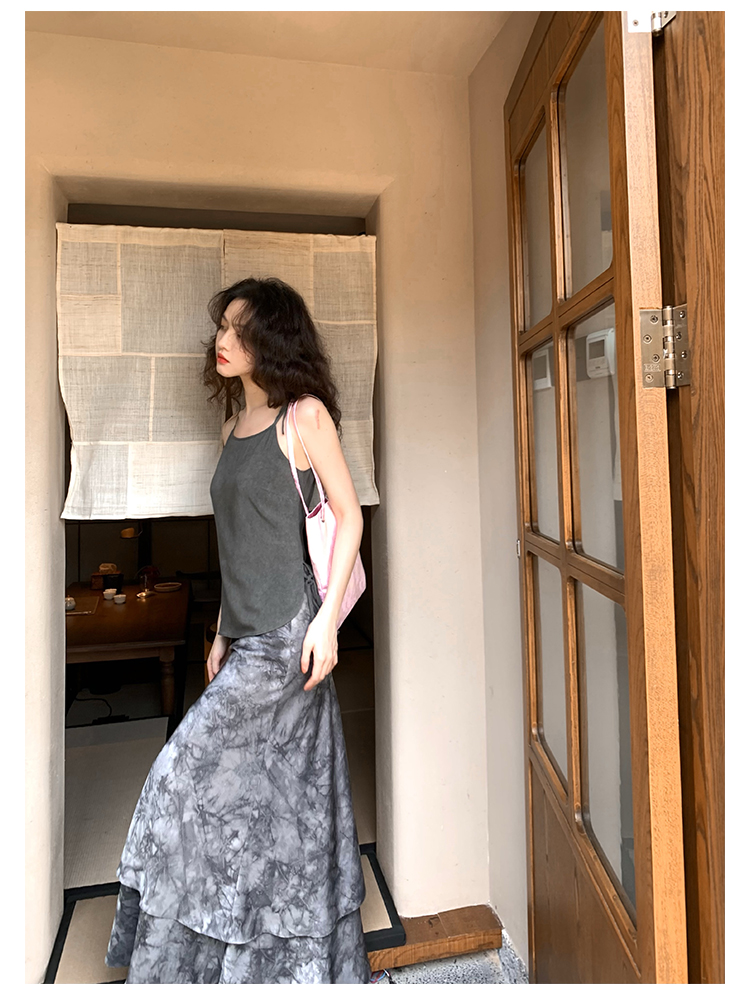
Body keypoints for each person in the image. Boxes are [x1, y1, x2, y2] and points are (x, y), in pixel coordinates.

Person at [104, 276, 371, 983]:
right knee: (274, 803)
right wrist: (221, 631)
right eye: (221, 327)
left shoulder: (303, 418)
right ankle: (263, 964)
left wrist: (327, 624)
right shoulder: (232, 430)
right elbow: (237, 544)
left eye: (238, 328)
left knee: (181, 776)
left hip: (288, 639)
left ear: (272, 339)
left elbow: (350, 517)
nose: (222, 340)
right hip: (246, 634)